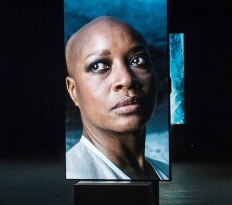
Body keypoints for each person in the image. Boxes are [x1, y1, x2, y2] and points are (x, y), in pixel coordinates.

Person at [65, 15, 169, 180]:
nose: (126, 80)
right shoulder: (74, 175)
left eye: (138, 60)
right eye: (98, 66)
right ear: (73, 91)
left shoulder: (163, 171)